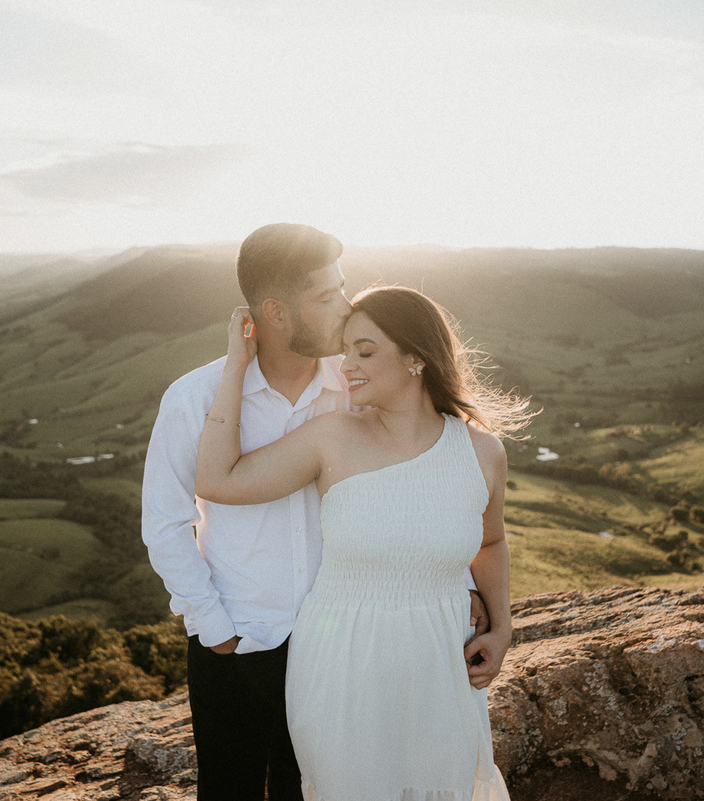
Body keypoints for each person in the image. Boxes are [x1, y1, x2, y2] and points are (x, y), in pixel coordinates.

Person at [140, 224, 498, 801]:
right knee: (228, 790)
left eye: (342, 288)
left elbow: (414, 488)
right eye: (328, 295)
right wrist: (214, 628)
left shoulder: (359, 384)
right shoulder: (195, 397)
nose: (346, 306)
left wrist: (456, 585)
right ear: (277, 313)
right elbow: (166, 522)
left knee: (312, 790)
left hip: (340, 643)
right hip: (240, 635)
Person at [195, 285, 530, 800]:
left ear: (417, 357)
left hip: (441, 664)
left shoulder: (482, 452)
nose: (346, 364)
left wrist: (503, 627)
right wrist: (237, 366)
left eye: (365, 352)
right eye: (346, 349)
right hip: (341, 665)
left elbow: (491, 542)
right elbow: (218, 480)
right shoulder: (332, 438)